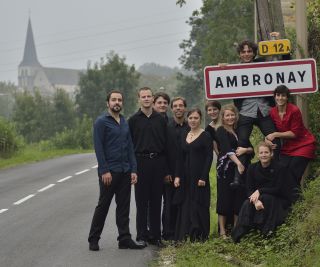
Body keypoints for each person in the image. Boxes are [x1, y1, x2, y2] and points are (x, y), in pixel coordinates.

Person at [88, 90, 145, 251]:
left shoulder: (124, 122)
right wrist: (104, 170)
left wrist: (133, 169)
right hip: (109, 173)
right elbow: (98, 148)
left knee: (124, 207)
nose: (117, 102)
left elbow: (130, 149)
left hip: (125, 171)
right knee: (103, 205)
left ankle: (124, 238)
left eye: (119, 100)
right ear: (108, 103)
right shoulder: (101, 122)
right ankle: (93, 239)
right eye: (114, 100)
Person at [232, 40, 281, 187]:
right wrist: (223, 69)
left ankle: (275, 172)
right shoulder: (234, 70)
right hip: (245, 111)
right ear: (240, 54)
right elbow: (224, 78)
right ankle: (238, 177)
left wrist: (275, 40)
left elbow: (278, 61)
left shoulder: (262, 64)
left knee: (275, 141)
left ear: (254, 53)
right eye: (243, 52)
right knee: (241, 143)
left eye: (249, 51)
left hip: (263, 109)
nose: (246, 54)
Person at [128, 87, 169, 248]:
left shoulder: (161, 119)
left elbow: (166, 146)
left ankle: (155, 236)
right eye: (143, 96)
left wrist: (166, 170)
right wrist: (132, 169)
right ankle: (142, 235)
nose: (146, 99)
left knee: (156, 200)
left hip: (158, 162)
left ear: (153, 99)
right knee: (141, 201)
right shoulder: (133, 120)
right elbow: (129, 146)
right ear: (139, 99)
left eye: (148, 96)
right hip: (140, 162)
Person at [231, 141, 291, 243]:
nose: (264, 155)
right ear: (258, 155)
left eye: (266, 152)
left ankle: (267, 234)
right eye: (261, 153)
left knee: (266, 198)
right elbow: (249, 189)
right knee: (247, 203)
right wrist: (255, 201)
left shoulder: (280, 168)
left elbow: (279, 189)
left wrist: (260, 190)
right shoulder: (252, 168)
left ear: (271, 154)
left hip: (276, 198)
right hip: (257, 197)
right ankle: (239, 236)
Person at [266, 85, 316, 202]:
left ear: (287, 97)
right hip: (288, 147)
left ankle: (298, 203)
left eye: (283, 95)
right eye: (278, 95)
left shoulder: (294, 110)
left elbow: (294, 133)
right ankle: (293, 202)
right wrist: (267, 139)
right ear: (274, 97)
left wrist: (276, 134)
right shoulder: (272, 112)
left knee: (293, 172)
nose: (280, 98)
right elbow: (270, 132)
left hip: (304, 144)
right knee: (281, 170)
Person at [173, 108, 213, 242]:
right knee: (186, 205)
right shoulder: (184, 133)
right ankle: (185, 235)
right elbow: (179, 157)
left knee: (199, 205)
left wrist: (203, 177)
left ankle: (200, 236)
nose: (193, 120)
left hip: (199, 177)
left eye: (196, 118)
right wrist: (177, 176)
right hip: (185, 177)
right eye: (190, 118)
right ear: (187, 119)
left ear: (200, 119)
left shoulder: (206, 135)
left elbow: (209, 157)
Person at [215, 104, 253, 239]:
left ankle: (236, 230)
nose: (230, 118)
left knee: (238, 198)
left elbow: (251, 148)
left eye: (232, 115)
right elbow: (226, 149)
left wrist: (245, 150)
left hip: (241, 170)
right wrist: (238, 163)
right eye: (227, 115)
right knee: (224, 198)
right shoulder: (220, 130)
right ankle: (222, 231)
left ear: (236, 116)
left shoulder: (240, 131)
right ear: (223, 117)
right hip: (226, 169)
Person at [162, 97, 189, 240]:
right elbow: (163, 151)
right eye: (175, 106)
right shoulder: (166, 127)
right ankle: (169, 233)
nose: (178, 108)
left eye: (181, 106)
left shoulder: (190, 127)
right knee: (169, 202)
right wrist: (166, 172)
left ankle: (183, 232)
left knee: (185, 202)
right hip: (170, 172)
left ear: (185, 108)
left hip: (187, 171)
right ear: (172, 109)